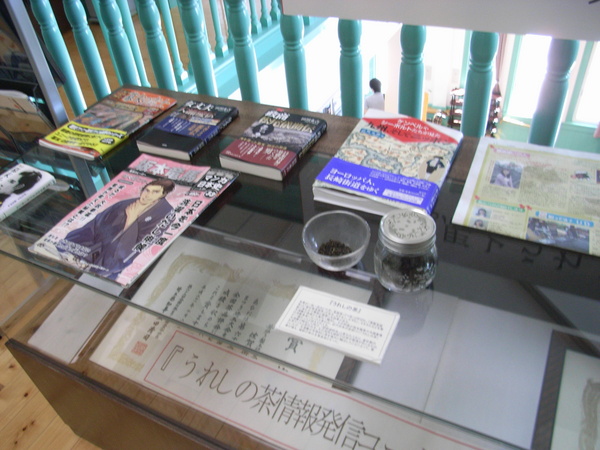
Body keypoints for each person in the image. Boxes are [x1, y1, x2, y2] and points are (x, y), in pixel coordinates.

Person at [58, 178, 175, 280]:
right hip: (93, 246)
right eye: (147, 190)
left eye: (155, 192)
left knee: (111, 259)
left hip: (115, 256)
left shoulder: (165, 212)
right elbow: (96, 223)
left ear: (163, 194)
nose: (148, 195)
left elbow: (137, 244)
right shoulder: (126, 204)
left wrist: (131, 220)